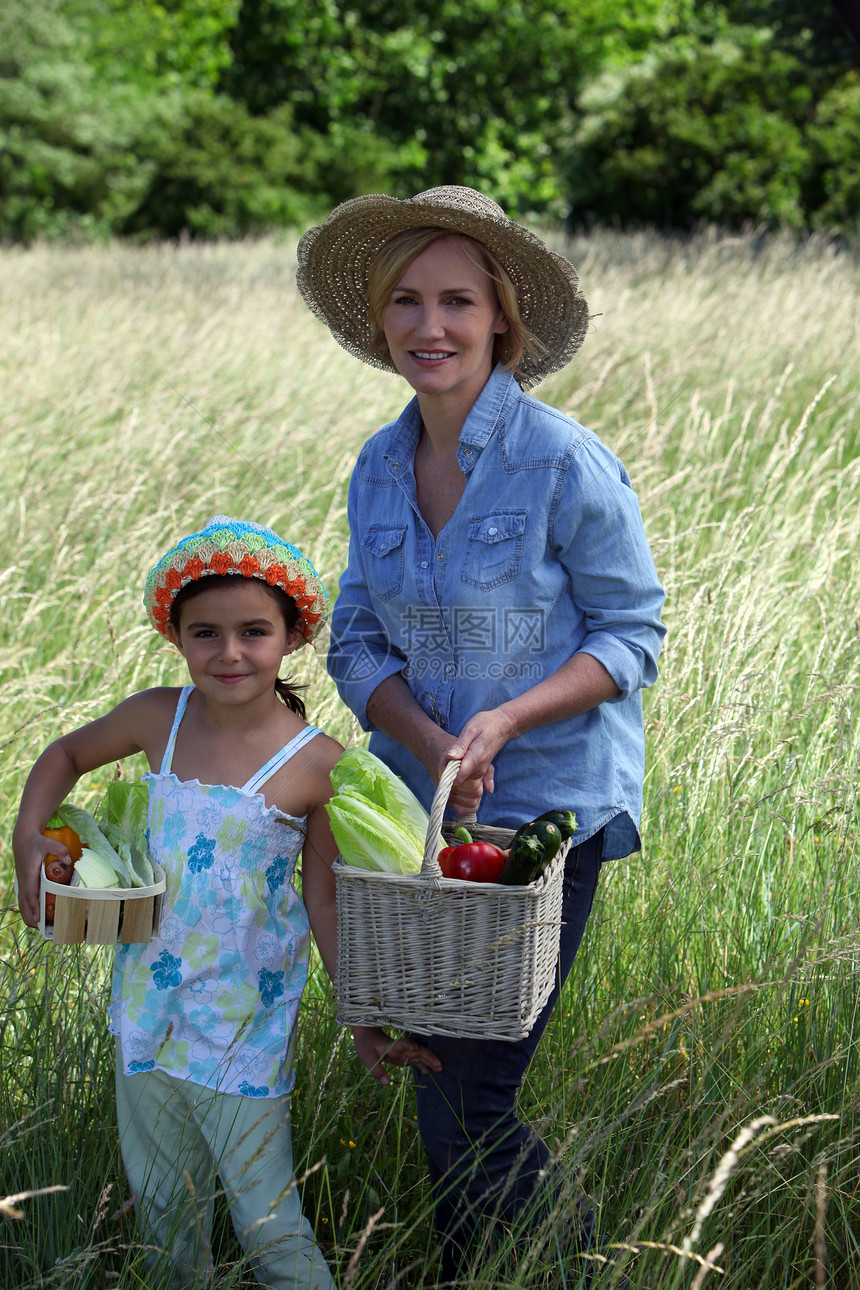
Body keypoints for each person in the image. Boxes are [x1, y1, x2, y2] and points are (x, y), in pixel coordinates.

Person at [296, 188, 667, 1282]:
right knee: (434, 1072)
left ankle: (580, 1263)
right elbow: (356, 633)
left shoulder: (558, 459)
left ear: (501, 317)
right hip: (419, 816)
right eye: (405, 302)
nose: (430, 326)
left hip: (547, 811)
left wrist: (502, 721)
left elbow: (630, 632)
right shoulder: (375, 463)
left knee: (471, 1090)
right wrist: (425, 734)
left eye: (457, 300)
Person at [13, 514, 439, 1290]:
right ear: (176, 636)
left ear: (291, 637)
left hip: (243, 1034)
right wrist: (26, 841)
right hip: (147, 1012)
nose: (230, 653)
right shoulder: (157, 718)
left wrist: (364, 1022)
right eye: (205, 633)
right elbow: (66, 754)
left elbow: (325, 904)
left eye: (253, 631)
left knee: (268, 1222)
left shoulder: (317, 767)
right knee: (165, 1219)